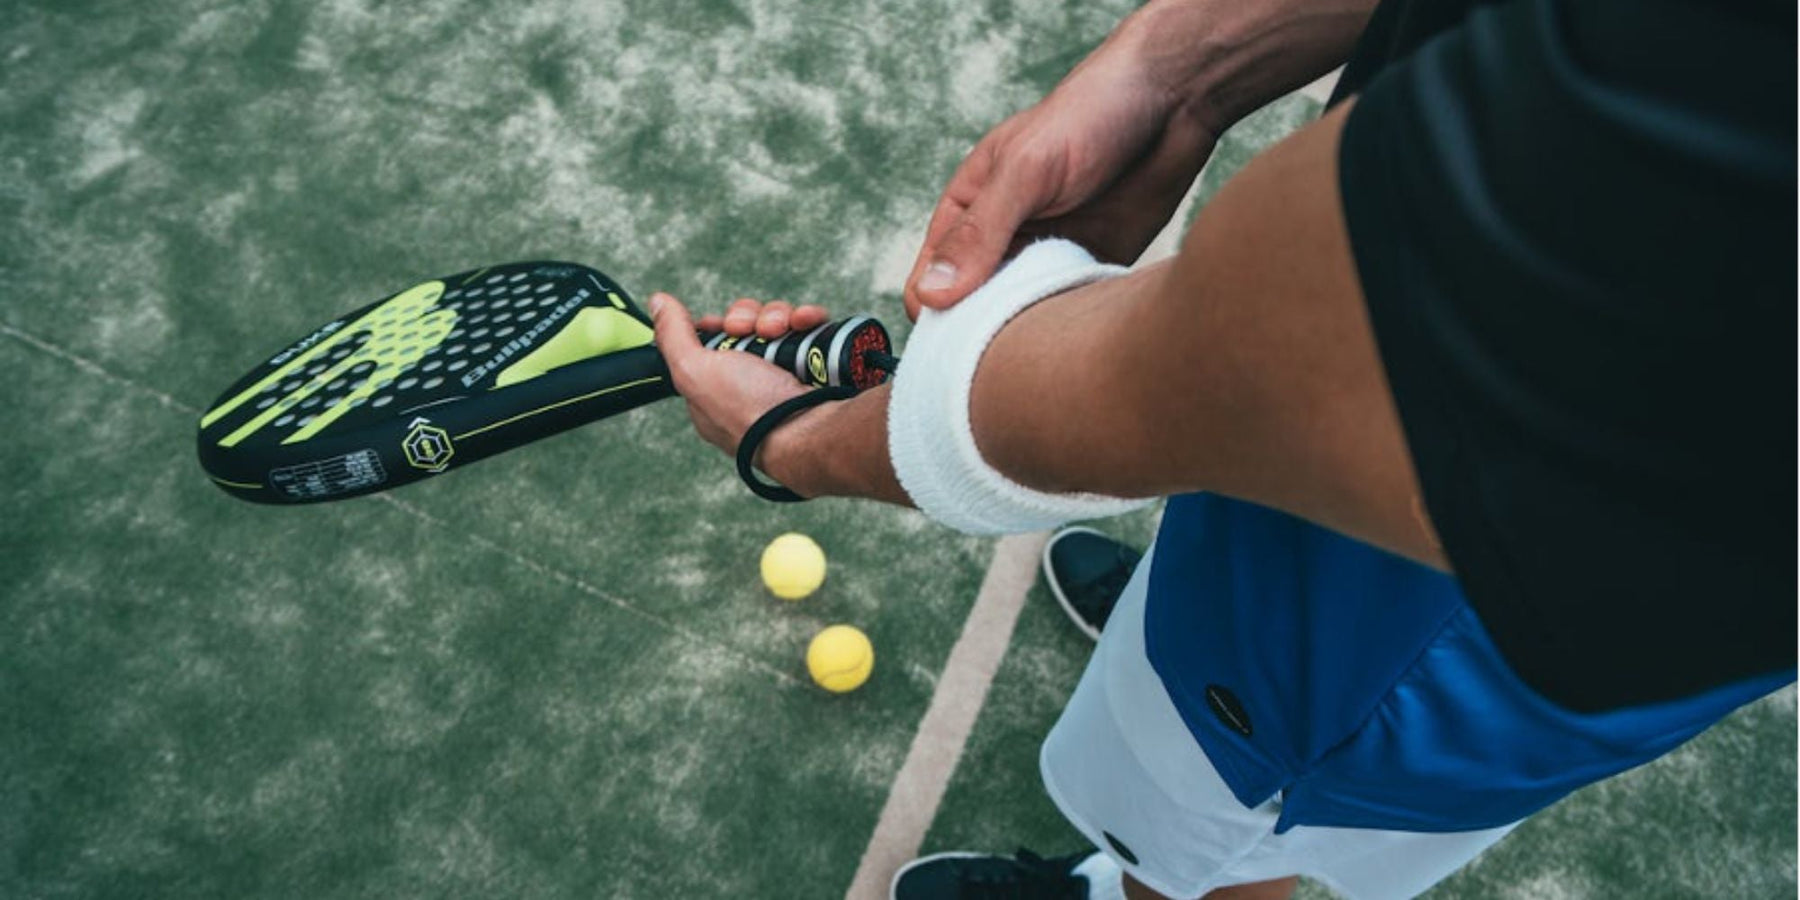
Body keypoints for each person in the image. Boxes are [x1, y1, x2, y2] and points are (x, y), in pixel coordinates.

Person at [647, 0, 1795, 896]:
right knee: (1216, 676)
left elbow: (1226, 375)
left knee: (1207, 823)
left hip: (1401, 629)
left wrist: (794, 443)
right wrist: (1177, 67)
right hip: (1496, 536)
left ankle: (1144, 881)